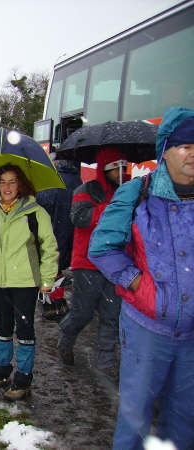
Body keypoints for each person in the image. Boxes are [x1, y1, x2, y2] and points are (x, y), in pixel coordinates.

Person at [89, 107, 194, 450]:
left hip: (192, 334)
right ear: (166, 150)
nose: (192, 153)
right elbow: (102, 248)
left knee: (185, 418)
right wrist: (139, 284)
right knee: (136, 416)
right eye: (185, 146)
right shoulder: (138, 193)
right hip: (147, 327)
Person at [0, 164, 58, 400]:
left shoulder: (34, 212)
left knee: (24, 330)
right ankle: (1, 371)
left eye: (12, 181)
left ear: (21, 184)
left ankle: (23, 378)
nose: (7, 187)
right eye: (2, 182)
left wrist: (47, 278)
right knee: (2, 328)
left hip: (25, 280)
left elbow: (49, 247)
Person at [57, 147, 130, 376]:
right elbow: (79, 218)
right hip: (87, 263)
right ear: (105, 169)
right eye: (116, 167)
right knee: (83, 312)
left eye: (123, 167)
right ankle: (66, 338)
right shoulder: (85, 189)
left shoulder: (128, 191)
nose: (120, 172)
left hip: (117, 263)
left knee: (112, 315)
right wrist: (110, 209)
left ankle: (106, 361)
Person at [36, 156, 82, 273]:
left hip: (49, 239)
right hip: (69, 244)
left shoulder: (49, 179)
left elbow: (40, 204)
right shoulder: (77, 180)